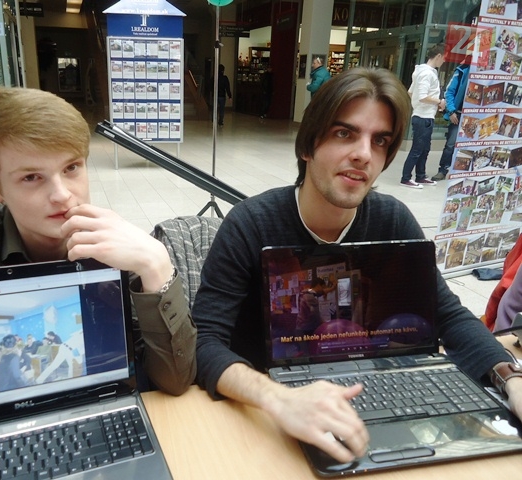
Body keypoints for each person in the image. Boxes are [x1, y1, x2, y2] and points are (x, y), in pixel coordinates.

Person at [192, 67, 522, 464]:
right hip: (271, 415)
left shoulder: (392, 220)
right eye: (344, 133)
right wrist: (278, 398)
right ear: (308, 146)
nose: (364, 154)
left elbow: (447, 315)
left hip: (379, 395)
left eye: (379, 140)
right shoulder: (251, 224)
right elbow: (203, 343)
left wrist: (511, 377)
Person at [0, 86, 196, 396]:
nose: (62, 195)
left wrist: (157, 268)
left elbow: (175, 382)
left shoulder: (114, 244)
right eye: (31, 177)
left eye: (71, 168)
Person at [400, 44, 446, 188]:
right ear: (438, 56)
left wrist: (418, 105)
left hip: (424, 115)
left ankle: (420, 176)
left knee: (424, 149)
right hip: (423, 117)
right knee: (417, 149)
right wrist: (439, 101)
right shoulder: (427, 73)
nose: (444, 61)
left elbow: (411, 92)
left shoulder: (422, 71)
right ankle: (406, 178)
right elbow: (422, 96)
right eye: (444, 58)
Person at [432, 59, 471, 181]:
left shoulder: (488, 73)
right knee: (450, 144)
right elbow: (449, 92)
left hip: (476, 117)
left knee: (470, 147)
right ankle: (443, 170)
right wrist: (451, 111)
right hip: (458, 115)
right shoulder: (462, 70)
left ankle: (464, 173)